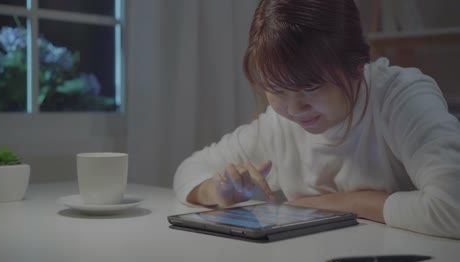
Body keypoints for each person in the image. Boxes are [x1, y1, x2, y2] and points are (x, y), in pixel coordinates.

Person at [173, 0, 460, 239]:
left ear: (357, 67)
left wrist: (339, 204)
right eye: (277, 89)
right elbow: (189, 170)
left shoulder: (401, 98)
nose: (295, 109)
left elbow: (454, 206)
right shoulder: (279, 124)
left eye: (311, 88)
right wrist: (220, 191)